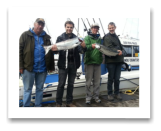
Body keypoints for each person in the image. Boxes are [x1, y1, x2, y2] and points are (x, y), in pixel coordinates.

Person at [19, 18, 55, 107]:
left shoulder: (47, 37)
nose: (40, 26)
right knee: (27, 89)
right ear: (34, 24)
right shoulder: (25, 35)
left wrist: (51, 67)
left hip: (42, 68)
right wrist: (20, 66)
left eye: (42, 25)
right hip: (28, 68)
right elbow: (19, 51)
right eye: (39, 24)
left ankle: (38, 106)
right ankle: (26, 107)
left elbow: (50, 52)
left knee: (40, 89)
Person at [51, 21, 86, 107]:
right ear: (65, 27)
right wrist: (55, 49)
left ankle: (69, 102)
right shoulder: (60, 37)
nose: (69, 28)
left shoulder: (77, 38)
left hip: (73, 64)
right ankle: (58, 103)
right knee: (61, 84)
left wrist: (83, 46)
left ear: (73, 28)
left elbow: (81, 51)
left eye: (71, 27)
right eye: (68, 27)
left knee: (71, 84)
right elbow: (57, 51)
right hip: (63, 65)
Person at [103, 22, 124, 101]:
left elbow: (120, 46)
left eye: (112, 27)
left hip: (119, 61)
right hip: (111, 61)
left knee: (117, 78)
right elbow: (109, 48)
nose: (111, 29)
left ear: (115, 27)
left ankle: (117, 93)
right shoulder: (107, 37)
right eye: (110, 28)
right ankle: (110, 93)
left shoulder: (116, 36)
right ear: (108, 29)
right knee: (111, 78)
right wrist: (118, 51)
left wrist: (123, 51)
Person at [84, 23, 103, 104]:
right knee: (88, 82)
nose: (95, 29)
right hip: (89, 62)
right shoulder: (87, 37)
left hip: (98, 63)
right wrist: (90, 47)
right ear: (91, 29)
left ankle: (96, 96)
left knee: (97, 82)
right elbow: (84, 48)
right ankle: (88, 97)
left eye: (96, 28)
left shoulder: (99, 38)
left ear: (98, 29)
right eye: (93, 28)